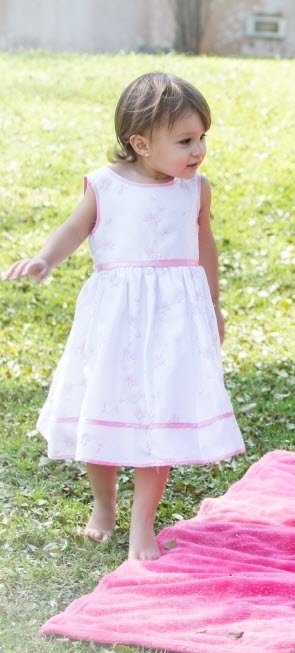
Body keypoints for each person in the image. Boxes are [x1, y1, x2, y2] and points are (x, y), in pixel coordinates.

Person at [3, 72, 244, 561]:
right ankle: (104, 504)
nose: (199, 150)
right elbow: (75, 228)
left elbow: (205, 246)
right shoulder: (104, 185)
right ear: (141, 143)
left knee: (160, 418)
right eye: (185, 141)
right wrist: (46, 259)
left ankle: (142, 527)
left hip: (175, 322)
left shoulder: (195, 190)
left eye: (202, 138)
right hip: (115, 321)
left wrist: (214, 306)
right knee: (105, 407)